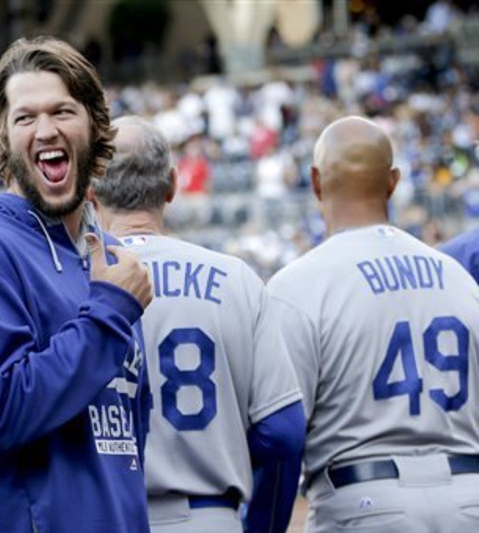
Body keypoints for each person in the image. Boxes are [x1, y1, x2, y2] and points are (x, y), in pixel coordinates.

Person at [0, 36, 153, 532]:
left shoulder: (102, 259)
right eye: (25, 118)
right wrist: (109, 314)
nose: (45, 130)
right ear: (4, 138)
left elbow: (130, 439)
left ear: (94, 124)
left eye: (62, 112)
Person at [91, 116, 306, 533]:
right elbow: (282, 432)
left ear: (91, 192)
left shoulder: (71, 283)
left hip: (105, 515)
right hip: (209, 516)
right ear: (173, 184)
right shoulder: (235, 278)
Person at [266, 116, 479, 532]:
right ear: (394, 181)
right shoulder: (458, 277)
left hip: (363, 501)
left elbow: (282, 432)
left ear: (315, 181)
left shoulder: (297, 285)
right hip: (469, 497)